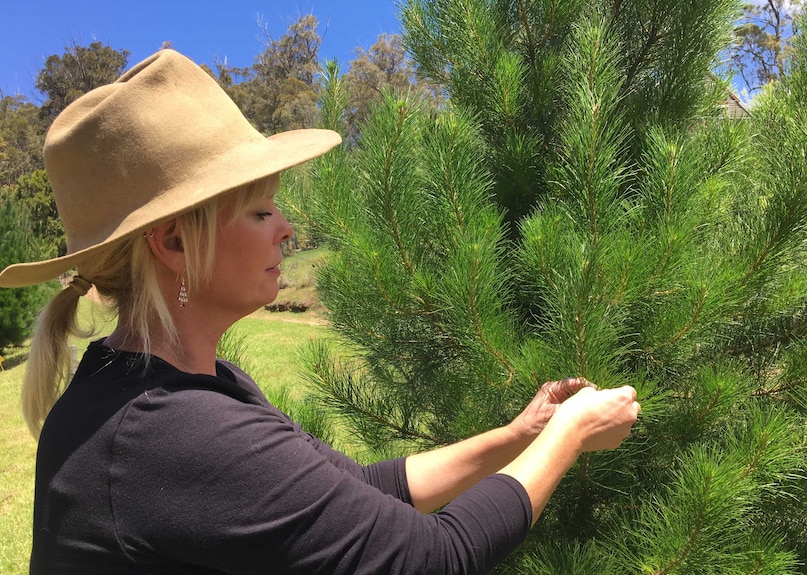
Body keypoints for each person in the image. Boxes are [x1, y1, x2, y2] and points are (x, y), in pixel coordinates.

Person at [0, 49, 640, 574]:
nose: (287, 229)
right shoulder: (169, 434)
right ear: (172, 243)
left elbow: (367, 490)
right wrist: (571, 435)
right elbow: (431, 559)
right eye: (259, 211)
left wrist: (521, 434)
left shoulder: (177, 388)